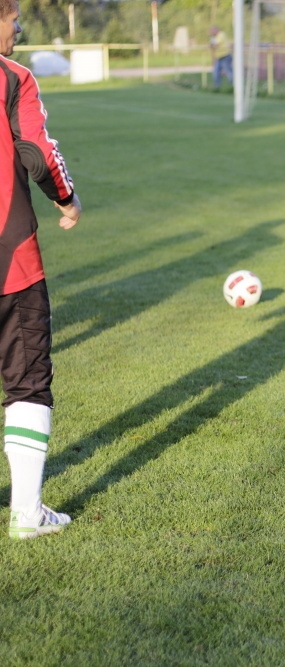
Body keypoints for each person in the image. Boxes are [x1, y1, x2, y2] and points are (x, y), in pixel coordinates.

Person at [0, 0, 82, 538]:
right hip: (10, 258)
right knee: (27, 381)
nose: (19, 28)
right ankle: (27, 515)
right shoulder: (13, 77)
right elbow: (36, 150)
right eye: (11, 19)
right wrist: (67, 199)